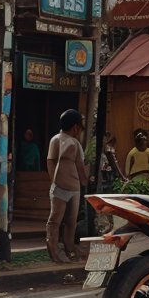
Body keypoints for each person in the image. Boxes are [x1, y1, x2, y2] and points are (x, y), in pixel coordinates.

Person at [46, 110, 88, 262]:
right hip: (64, 188)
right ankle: (55, 249)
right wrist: (54, 181)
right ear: (75, 127)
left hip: (71, 188)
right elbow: (52, 161)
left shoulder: (68, 142)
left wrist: (83, 182)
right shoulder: (60, 140)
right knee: (58, 221)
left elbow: (78, 166)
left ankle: (68, 249)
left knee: (68, 221)